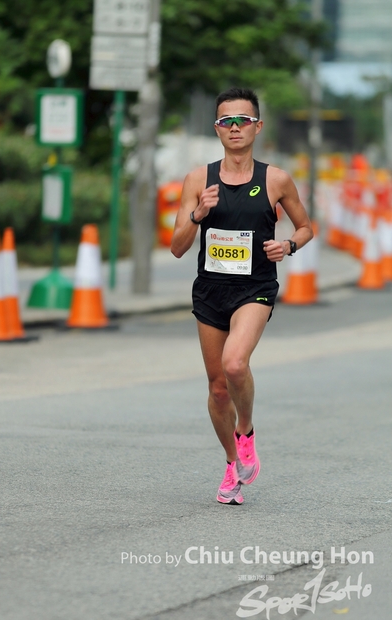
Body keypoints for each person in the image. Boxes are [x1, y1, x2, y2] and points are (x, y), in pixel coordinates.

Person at [171, 87, 313, 505]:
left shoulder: (276, 179)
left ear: (257, 127)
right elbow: (177, 247)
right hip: (210, 290)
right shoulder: (198, 180)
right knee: (218, 389)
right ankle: (232, 463)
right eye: (226, 121)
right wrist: (198, 214)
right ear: (217, 129)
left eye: (243, 121)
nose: (235, 128)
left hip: (255, 288)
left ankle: (245, 431)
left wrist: (288, 246)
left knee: (235, 364)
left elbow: (306, 228)